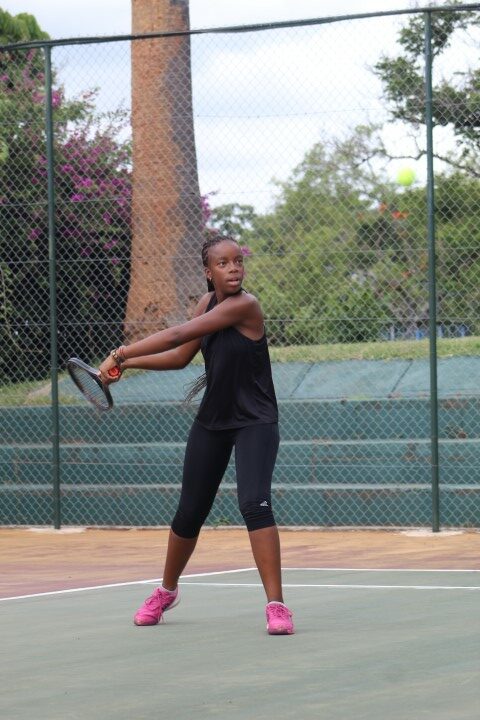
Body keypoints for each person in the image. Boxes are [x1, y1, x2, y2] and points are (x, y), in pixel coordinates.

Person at [99, 235, 294, 635]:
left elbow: (175, 335)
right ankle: (166, 591)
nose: (234, 268)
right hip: (213, 421)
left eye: (238, 261)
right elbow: (179, 355)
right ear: (208, 272)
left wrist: (121, 354)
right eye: (223, 263)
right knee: (190, 511)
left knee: (254, 504)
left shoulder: (246, 306)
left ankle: (276, 606)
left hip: (255, 421)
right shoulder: (205, 304)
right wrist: (131, 367)